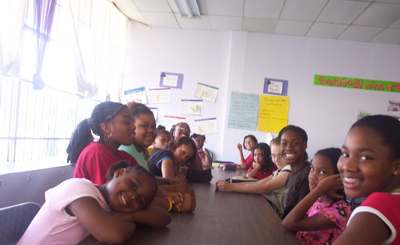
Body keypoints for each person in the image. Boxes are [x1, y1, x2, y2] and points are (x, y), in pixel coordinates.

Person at [17, 161, 171, 245]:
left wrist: (133, 215)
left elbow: (164, 218)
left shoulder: (108, 204)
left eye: (140, 200)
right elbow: (114, 235)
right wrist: (131, 218)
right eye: (133, 185)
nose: (133, 196)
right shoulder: (79, 189)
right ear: (119, 173)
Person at [333, 115, 400, 245]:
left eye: (365, 157)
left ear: (396, 167)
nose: (347, 166)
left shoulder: (380, 206)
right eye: (345, 154)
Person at [282, 148, 352, 244]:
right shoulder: (318, 199)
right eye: (312, 169)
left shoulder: (340, 211)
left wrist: (320, 188)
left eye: (322, 172)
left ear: (338, 177)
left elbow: (288, 223)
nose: (312, 176)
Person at [67, 101, 139, 185]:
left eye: (132, 121)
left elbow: (146, 180)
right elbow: (112, 195)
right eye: (126, 122)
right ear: (107, 128)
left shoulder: (123, 156)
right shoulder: (98, 153)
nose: (133, 127)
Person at [215, 138, 291, 216]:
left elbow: (266, 188)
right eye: (273, 156)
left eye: (280, 155)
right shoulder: (279, 171)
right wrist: (230, 184)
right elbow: (258, 183)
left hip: (277, 213)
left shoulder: (289, 170)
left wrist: (231, 187)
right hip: (269, 205)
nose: (276, 160)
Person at [280, 125, 311, 219]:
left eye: (295, 143)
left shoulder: (307, 175)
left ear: (304, 145)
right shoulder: (291, 174)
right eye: (284, 144)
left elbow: (301, 217)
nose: (288, 148)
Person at [119, 102, 157, 169]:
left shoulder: (141, 150)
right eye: (144, 126)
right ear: (132, 126)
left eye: (153, 127)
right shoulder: (126, 151)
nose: (150, 130)